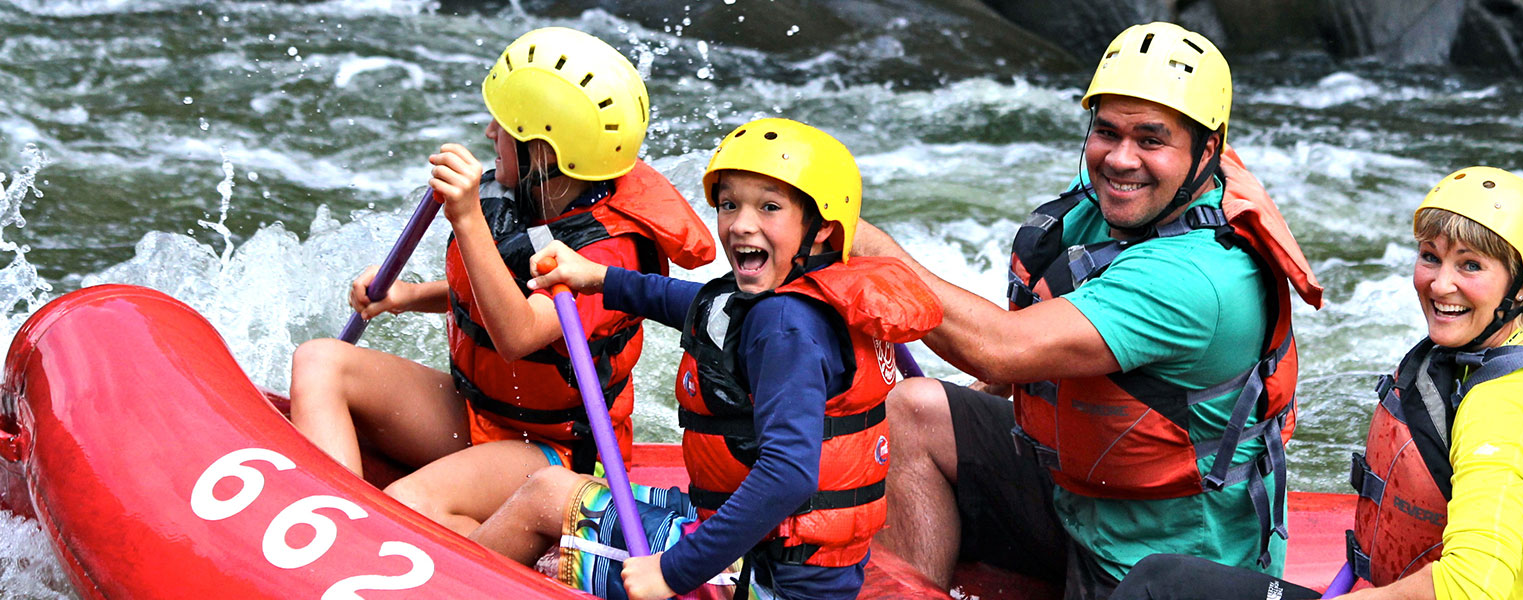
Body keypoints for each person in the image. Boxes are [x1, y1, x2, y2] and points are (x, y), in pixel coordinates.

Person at [849, 21, 1324, 599]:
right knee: (915, 410)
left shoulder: (1197, 277)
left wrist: (861, 243)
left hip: (1161, 560)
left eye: (1151, 139)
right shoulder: (1132, 195)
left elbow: (1000, 348)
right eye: (1106, 131)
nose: (1121, 159)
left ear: (1209, 148)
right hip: (1075, 494)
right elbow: (1021, 355)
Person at [1110, 167, 1523, 600]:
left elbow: (1474, 586)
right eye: (1430, 257)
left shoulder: (1506, 409)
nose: (1440, 283)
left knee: (1162, 585)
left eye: (1471, 266)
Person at [467, 118, 942, 600]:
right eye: (730, 204)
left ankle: (444, 586)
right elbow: (695, 304)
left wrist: (671, 572)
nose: (740, 224)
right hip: (775, 553)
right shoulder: (798, 299)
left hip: (765, 582)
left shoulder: (786, 329)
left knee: (546, 494)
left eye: (770, 207)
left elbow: (789, 475)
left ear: (821, 231)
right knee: (570, 492)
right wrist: (598, 277)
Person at [287, 27, 715, 534]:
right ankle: (327, 518)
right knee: (320, 360)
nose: (490, 132)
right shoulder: (528, 194)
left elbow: (519, 335)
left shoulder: (609, 250)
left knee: (408, 504)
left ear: (545, 152)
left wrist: (466, 217)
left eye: (505, 126)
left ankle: (506, 551)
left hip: (556, 453)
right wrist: (404, 297)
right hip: (479, 415)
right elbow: (489, 294)